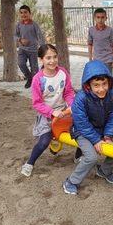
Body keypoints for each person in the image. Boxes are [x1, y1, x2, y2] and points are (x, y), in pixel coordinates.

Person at [63, 60, 113, 195]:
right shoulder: (81, 98)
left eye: (104, 84)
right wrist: (95, 140)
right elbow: (81, 122)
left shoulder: (112, 95)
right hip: (81, 131)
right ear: (88, 85)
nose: (101, 89)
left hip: (101, 131)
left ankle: (104, 171)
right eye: (96, 85)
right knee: (91, 157)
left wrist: (108, 136)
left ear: (109, 82)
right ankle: (71, 181)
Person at [20, 44, 75, 177]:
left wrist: (72, 105)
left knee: (80, 131)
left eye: (55, 57)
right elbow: (37, 103)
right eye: (48, 58)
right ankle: (30, 163)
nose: (52, 61)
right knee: (44, 141)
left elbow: (68, 92)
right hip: (47, 115)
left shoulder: (63, 73)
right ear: (41, 60)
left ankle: (78, 157)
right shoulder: (38, 79)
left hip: (64, 112)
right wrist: (51, 112)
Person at [15, 5, 46, 88]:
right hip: (22, 49)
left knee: (34, 68)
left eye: (25, 12)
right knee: (21, 64)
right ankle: (29, 78)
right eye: (21, 13)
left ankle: (36, 84)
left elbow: (40, 36)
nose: (23, 14)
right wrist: (20, 40)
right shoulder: (18, 25)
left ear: (29, 13)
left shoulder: (34, 25)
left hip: (33, 51)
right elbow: (15, 35)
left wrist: (44, 49)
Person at [88, 8, 113, 74]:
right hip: (96, 61)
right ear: (94, 18)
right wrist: (90, 59)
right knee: (98, 81)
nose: (100, 20)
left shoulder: (110, 30)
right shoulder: (91, 30)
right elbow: (90, 44)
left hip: (108, 61)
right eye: (98, 17)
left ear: (106, 18)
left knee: (108, 81)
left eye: (102, 17)